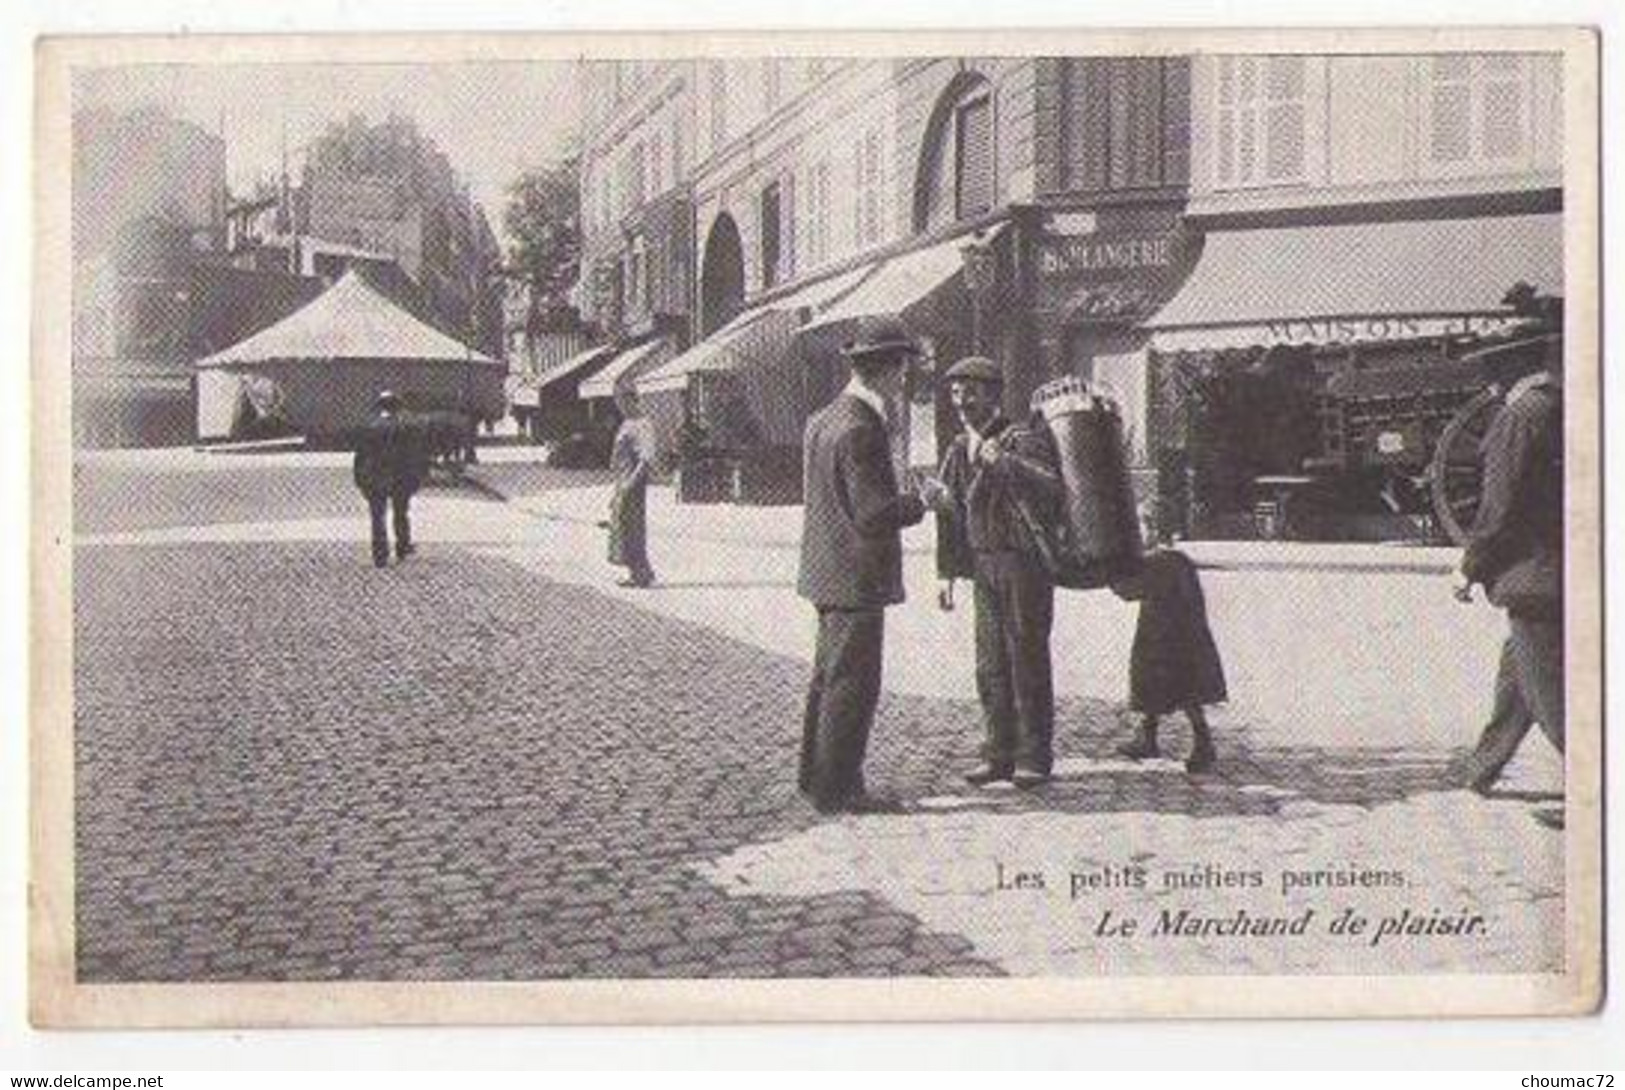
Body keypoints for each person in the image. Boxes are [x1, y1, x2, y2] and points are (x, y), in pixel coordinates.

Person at [797, 315, 945, 815]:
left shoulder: (822, 418)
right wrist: (921, 502)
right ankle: (841, 788)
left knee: (827, 676)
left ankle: (815, 778)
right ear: (892, 369)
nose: (905, 379)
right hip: (856, 574)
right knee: (854, 681)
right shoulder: (862, 427)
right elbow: (872, 512)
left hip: (825, 569)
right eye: (903, 367)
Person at [929, 356, 1064, 790]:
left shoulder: (1023, 437)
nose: (961, 401)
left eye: (971, 392)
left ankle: (1035, 755)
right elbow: (951, 514)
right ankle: (998, 752)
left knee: (1025, 655)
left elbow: (1051, 486)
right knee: (989, 662)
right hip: (982, 564)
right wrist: (946, 573)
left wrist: (1001, 461)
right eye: (955, 392)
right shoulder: (956, 447)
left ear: (993, 394)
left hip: (1024, 562)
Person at [1453, 358, 1564, 794]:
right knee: (1519, 674)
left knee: (1557, 702)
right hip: (1567, 569)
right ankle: (1483, 766)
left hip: (1536, 576)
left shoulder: (1519, 417)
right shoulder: (1564, 407)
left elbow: (1498, 507)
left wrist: (1469, 566)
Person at [1110, 533, 1227, 775]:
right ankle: (1149, 737)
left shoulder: (1158, 563)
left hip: (1163, 638)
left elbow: (1128, 591)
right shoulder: (1179, 560)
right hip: (1180, 635)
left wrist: (1108, 570)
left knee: (1176, 687)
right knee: (1166, 685)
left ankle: (1202, 743)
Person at [352, 389, 428, 569]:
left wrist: (360, 478)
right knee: (401, 513)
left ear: (379, 407)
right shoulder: (408, 427)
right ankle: (402, 546)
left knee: (377, 517)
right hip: (401, 477)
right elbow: (415, 455)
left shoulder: (370, 426)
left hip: (376, 478)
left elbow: (360, 456)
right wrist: (417, 476)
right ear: (397, 407)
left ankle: (380, 554)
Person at [607, 388, 659, 588]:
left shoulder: (643, 425)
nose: (623, 408)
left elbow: (645, 459)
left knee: (633, 525)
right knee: (621, 525)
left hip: (633, 480)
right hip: (622, 478)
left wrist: (631, 483)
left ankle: (641, 573)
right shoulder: (627, 424)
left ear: (635, 402)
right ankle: (636, 570)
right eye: (620, 404)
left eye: (626, 403)